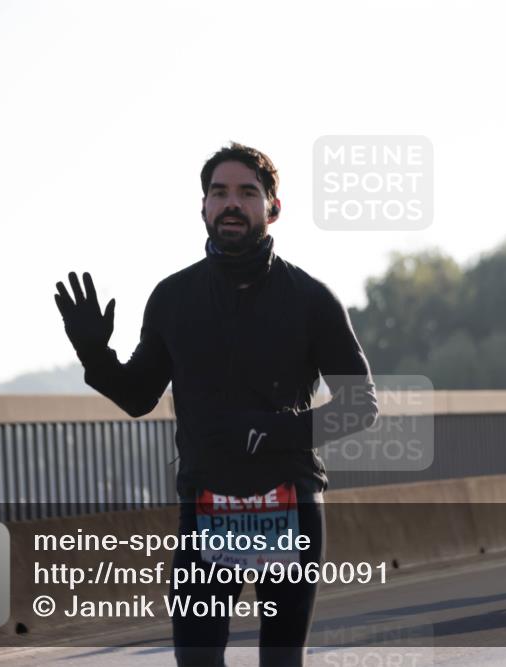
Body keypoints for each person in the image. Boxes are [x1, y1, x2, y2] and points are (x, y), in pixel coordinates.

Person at [54, 142, 378, 666]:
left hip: (288, 503)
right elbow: (139, 397)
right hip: (207, 506)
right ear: (203, 207)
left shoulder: (312, 299)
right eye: (219, 192)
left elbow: (361, 404)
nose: (232, 203)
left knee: (280, 661)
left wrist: (272, 432)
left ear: (273, 209)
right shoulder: (172, 297)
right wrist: (96, 356)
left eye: (248, 192)